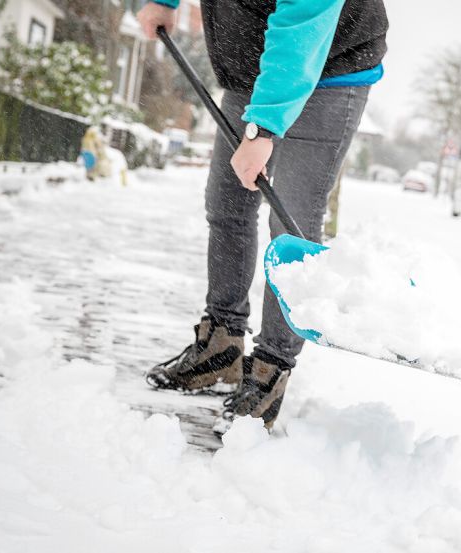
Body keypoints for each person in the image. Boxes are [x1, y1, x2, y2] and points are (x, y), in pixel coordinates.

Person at [137, 0, 388, 431]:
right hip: (250, 65)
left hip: (330, 67)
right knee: (227, 205)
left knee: (291, 220)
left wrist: (262, 129)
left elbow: (302, 28)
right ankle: (221, 343)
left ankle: (271, 367)